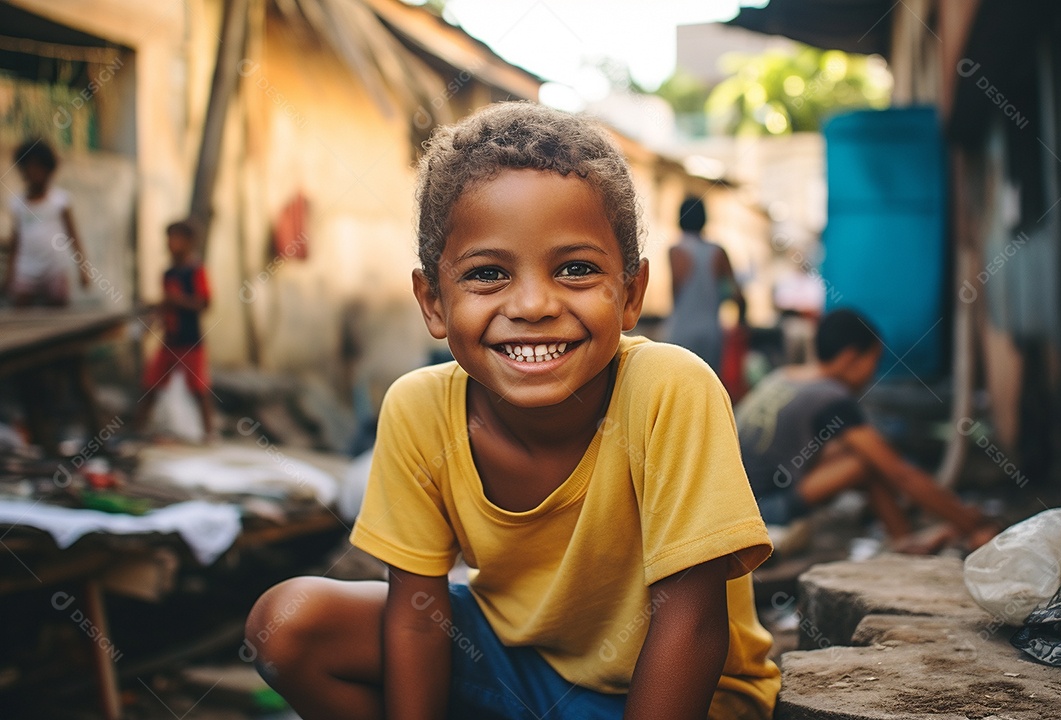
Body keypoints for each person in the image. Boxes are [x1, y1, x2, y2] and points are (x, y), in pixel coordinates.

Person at [246, 102, 779, 720]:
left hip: (665, 695)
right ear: (434, 302)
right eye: (488, 274)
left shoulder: (669, 390)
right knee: (286, 622)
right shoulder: (418, 409)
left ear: (631, 294)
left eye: (576, 269)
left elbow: (691, 624)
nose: (532, 304)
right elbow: (418, 618)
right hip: (514, 668)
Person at [736, 308, 997, 551]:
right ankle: (910, 542)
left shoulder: (785, 376)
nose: (873, 374)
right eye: (873, 361)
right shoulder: (831, 396)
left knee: (860, 453)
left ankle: (906, 539)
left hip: (737, 503)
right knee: (868, 462)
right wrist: (971, 522)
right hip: (761, 510)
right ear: (851, 358)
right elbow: (900, 473)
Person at [135, 220, 214, 442]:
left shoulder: (195, 271)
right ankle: (137, 430)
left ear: (189, 243)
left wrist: (178, 301)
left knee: (198, 388)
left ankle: (209, 433)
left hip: (190, 340)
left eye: (177, 238)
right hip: (170, 339)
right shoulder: (168, 273)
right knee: (150, 384)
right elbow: (165, 307)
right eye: (169, 238)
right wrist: (153, 314)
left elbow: (204, 303)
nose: (172, 243)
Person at [2, 139, 90, 306]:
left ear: (48, 170)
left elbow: (74, 237)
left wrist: (83, 270)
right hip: (26, 270)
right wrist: (10, 275)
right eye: (30, 167)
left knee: (58, 305)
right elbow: (16, 241)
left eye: (39, 167)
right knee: (21, 310)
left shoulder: (60, 201)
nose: (34, 172)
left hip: (54, 269)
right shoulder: (18, 204)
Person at [666, 196, 744, 373]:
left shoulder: (675, 251)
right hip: (711, 332)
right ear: (704, 219)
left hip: (682, 331)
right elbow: (736, 295)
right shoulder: (718, 252)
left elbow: (675, 293)